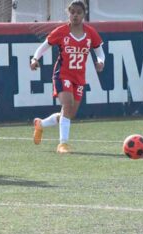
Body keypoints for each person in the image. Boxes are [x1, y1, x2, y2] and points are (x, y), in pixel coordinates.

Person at [30, 0, 105, 153]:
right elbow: (44, 46)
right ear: (68, 13)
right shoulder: (61, 31)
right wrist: (35, 59)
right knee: (67, 104)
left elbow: (99, 50)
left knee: (69, 114)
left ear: (84, 14)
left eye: (79, 12)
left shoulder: (90, 32)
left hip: (79, 77)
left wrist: (100, 61)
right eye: (72, 12)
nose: (75, 15)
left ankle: (41, 124)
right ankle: (62, 144)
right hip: (62, 74)